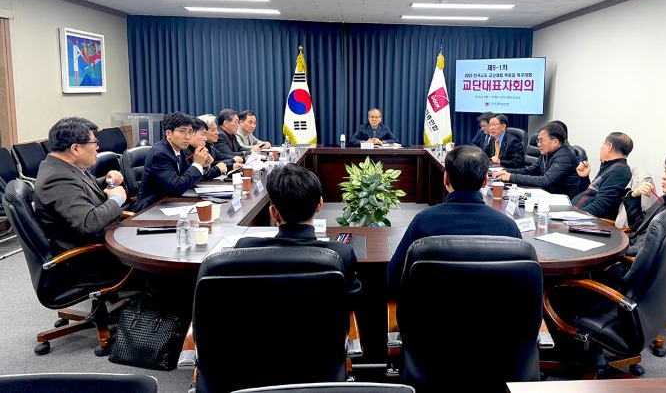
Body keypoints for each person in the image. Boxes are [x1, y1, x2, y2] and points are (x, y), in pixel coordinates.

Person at [387, 145, 525, 294]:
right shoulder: (508, 227)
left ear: (446, 178)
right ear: (485, 182)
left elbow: (394, 277)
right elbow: (522, 282)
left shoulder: (423, 221)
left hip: (430, 316)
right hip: (493, 316)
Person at [235, 164, 362, 302]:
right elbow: (353, 299)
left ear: (273, 213)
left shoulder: (244, 249)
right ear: (320, 204)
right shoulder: (341, 253)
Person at [34, 117, 127, 255]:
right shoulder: (56, 179)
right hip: (92, 257)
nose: (97, 148)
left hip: (106, 240)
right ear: (75, 148)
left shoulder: (62, 166)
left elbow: (79, 189)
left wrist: (105, 181)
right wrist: (116, 199)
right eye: (94, 143)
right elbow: (88, 223)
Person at [134, 112, 210, 212]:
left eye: (190, 132)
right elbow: (176, 187)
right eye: (182, 131)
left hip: (171, 203)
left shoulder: (181, 149)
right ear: (169, 134)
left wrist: (204, 165)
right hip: (151, 208)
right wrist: (197, 164)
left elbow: (187, 178)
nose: (187, 137)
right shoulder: (159, 154)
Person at [492, 122, 581, 198]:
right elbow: (530, 171)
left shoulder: (564, 157)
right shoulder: (546, 154)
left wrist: (511, 177)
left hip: (562, 201)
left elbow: (545, 181)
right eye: (538, 141)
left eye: (541, 141)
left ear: (555, 142)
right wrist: (505, 171)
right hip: (547, 195)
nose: (538, 144)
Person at [571, 132, 633, 220]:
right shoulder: (609, 167)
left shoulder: (618, 173)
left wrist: (572, 214)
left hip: (588, 223)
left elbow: (600, 207)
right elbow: (589, 195)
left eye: (603, 144)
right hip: (578, 214)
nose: (601, 148)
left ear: (609, 147)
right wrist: (584, 178)